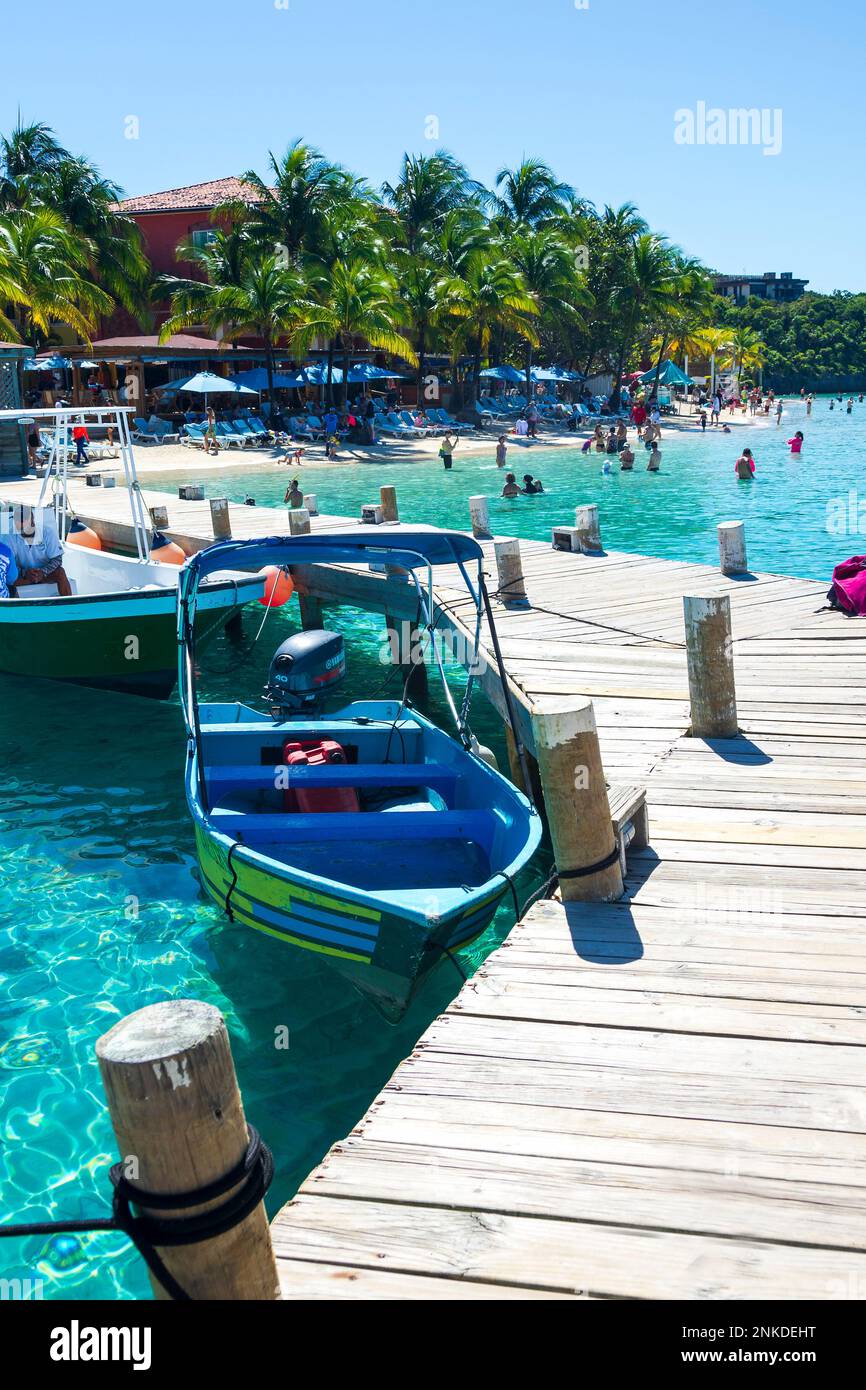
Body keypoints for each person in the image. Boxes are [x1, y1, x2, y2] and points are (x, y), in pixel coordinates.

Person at [5, 504, 72, 595]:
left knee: (60, 572)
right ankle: (15, 606)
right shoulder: (9, 537)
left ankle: (68, 606)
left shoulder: (47, 532)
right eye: (17, 520)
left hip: (46, 573)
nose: (19, 523)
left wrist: (43, 572)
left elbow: (57, 559)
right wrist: (25, 573)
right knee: (9, 579)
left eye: (23, 520)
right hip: (23, 576)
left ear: (32, 520)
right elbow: (8, 563)